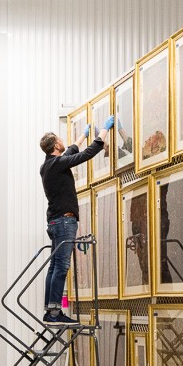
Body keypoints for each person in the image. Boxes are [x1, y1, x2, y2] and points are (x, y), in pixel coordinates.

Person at [38, 117, 113, 325]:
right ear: (55, 145)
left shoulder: (48, 166)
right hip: (64, 221)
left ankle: (50, 310)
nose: (63, 141)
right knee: (61, 266)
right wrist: (103, 133)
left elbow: (71, 151)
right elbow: (85, 155)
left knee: (54, 266)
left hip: (55, 222)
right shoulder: (57, 164)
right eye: (60, 139)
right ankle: (54, 313)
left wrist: (84, 135)